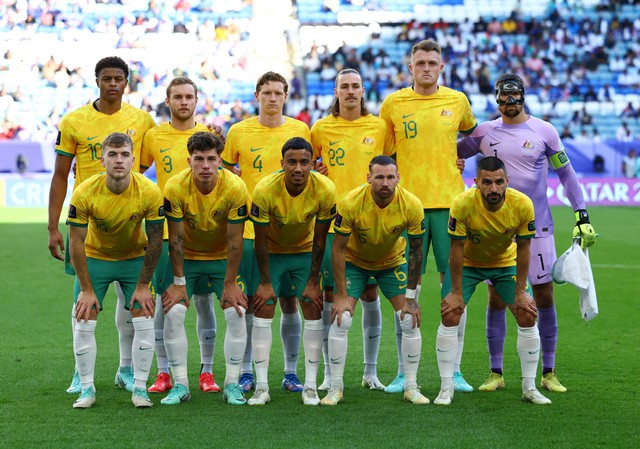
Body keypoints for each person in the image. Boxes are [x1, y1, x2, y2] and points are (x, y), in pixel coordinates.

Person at [457, 73, 597, 393]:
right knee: (496, 297)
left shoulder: (544, 131)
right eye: (503, 97)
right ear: (496, 98)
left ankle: (549, 372)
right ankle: (496, 372)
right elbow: (455, 152)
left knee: (543, 294)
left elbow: (566, 173)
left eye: (513, 95)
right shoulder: (484, 131)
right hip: (496, 230)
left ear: (522, 95)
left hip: (539, 228)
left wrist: (581, 214)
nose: (508, 102)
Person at [48, 56, 156, 395]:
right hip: (89, 224)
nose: (112, 83)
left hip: (130, 227)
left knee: (132, 305)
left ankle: (126, 369)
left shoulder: (143, 120)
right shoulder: (74, 120)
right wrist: (53, 227)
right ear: (97, 81)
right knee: (84, 302)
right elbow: (61, 175)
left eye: (118, 78)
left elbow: (152, 167)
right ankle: (82, 374)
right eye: (106, 78)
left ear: (126, 83)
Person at [379, 39, 477, 393]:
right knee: (407, 290)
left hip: (451, 207)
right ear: (410, 67)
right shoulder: (393, 104)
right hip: (407, 209)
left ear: (441, 67)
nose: (426, 68)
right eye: (419, 62)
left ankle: (457, 370)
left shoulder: (457, 100)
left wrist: (458, 154)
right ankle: (405, 373)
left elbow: (474, 135)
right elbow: (383, 155)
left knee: (453, 289)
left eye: (432, 62)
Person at [434, 156, 551, 406]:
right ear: (476, 182)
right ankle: (446, 387)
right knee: (451, 313)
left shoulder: (522, 204)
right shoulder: (462, 203)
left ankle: (529, 387)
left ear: (507, 181)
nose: (494, 189)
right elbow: (455, 248)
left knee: (527, 313)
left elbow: (524, 247)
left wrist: (520, 291)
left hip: (504, 262)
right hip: (468, 263)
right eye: (487, 182)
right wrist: (455, 292)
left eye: (499, 182)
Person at [223, 72, 311, 394]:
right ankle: (246, 371)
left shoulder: (301, 130)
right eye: (267, 92)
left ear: (286, 96)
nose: (272, 98)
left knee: (289, 302)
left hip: (291, 232)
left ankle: (290, 372)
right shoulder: (239, 131)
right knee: (249, 302)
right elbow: (225, 171)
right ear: (256, 95)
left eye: (278, 93)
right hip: (249, 230)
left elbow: (309, 169)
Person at [321, 155, 428, 406]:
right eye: (379, 177)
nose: (385, 183)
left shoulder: (411, 204)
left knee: (410, 319)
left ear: (398, 178)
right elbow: (337, 248)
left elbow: (417, 251)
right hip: (355, 262)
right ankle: (335, 388)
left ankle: (411, 387)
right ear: (368, 177)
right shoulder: (351, 202)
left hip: (391, 262)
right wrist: (339, 294)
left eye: (390, 177)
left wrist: (411, 299)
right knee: (342, 317)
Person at [310, 68, 393, 391]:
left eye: (355, 86)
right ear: (335, 91)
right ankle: (331, 375)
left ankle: (370, 372)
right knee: (333, 294)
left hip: (372, 220)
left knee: (371, 293)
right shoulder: (321, 128)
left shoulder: (379, 127)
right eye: (344, 86)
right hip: (334, 221)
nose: (350, 91)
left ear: (362, 91)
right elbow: (311, 165)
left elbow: (394, 166)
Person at [68, 132, 164, 408]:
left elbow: (156, 239)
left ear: (133, 159)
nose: (118, 160)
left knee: (144, 316)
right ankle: (86, 389)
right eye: (112, 154)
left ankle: (140, 388)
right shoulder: (85, 191)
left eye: (124, 155)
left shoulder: (149, 190)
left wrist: (144, 285)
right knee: (84, 319)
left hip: (134, 258)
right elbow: (75, 241)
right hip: (95, 258)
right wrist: (86, 289)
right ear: (102, 160)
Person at [140, 77, 221, 395]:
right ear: (168, 100)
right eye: (178, 97)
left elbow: (225, 174)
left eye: (189, 96)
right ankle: (164, 373)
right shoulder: (153, 135)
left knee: (203, 303)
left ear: (197, 100)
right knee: (165, 302)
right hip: (163, 232)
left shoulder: (211, 135)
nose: (184, 102)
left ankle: (207, 372)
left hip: (204, 233)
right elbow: (136, 174)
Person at [161, 132, 250, 405]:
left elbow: (236, 240)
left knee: (237, 312)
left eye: (211, 159)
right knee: (174, 313)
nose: (206, 165)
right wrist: (178, 281)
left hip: (222, 257)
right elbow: (174, 239)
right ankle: (181, 385)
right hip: (187, 257)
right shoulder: (175, 187)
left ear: (220, 161)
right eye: (199, 159)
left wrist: (230, 282)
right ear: (189, 160)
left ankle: (232, 384)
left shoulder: (236, 187)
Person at [248, 137, 336, 406]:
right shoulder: (264, 189)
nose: (298, 168)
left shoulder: (326, 189)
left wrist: (312, 281)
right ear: (282, 164)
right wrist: (264, 282)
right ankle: (261, 387)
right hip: (271, 253)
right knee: (263, 306)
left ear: (313, 164)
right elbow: (260, 241)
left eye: (304, 162)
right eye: (292, 162)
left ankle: (310, 386)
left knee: (311, 304)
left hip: (304, 252)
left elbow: (321, 239)